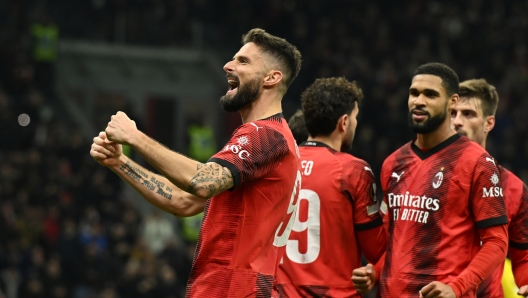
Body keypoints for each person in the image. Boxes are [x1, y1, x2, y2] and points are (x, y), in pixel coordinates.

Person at [90, 28, 303, 297]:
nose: (228, 65)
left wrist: (134, 137)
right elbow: (183, 200)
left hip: (232, 288)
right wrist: (120, 162)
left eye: (243, 61)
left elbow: (202, 182)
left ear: (272, 78)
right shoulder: (275, 139)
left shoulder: (265, 135)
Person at [352, 63, 509, 298]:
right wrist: (374, 271)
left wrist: (456, 287)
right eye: (414, 93)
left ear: (452, 101)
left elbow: (496, 243)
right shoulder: (393, 163)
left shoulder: (477, 162)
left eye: (430, 94)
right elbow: (396, 240)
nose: (419, 101)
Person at [275, 77, 386, 297]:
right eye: (354, 118)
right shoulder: (353, 170)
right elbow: (378, 251)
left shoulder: (278, 165)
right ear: (344, 122)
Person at [451, 78, 528, 298]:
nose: (457, 122)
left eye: (468, 114)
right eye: (453, 113)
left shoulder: (513, 188)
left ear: (489, 123)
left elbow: (522, 256)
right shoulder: (423, 175)